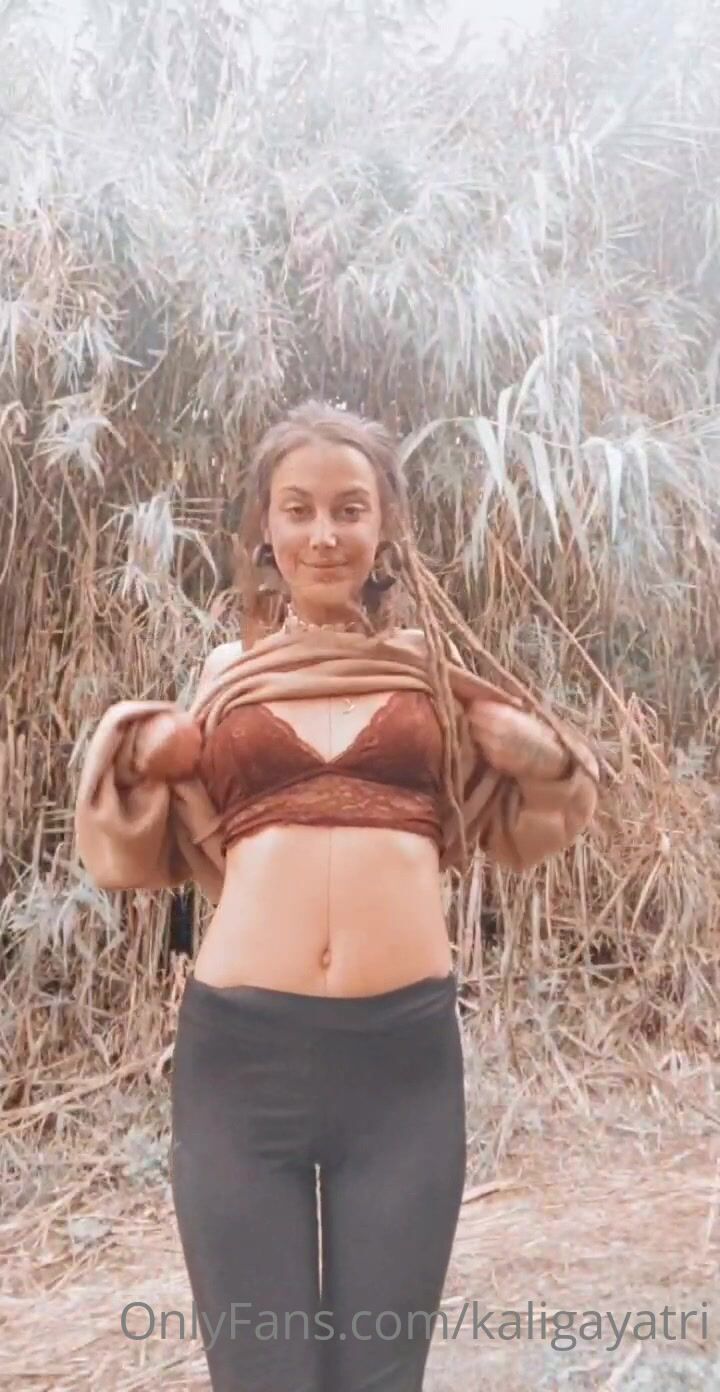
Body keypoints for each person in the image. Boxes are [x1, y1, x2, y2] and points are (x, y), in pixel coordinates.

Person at [74, 400, 599, 1392]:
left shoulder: (433, 677)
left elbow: (532, 809)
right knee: (262, 1372)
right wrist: (141, 750)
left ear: (383, 523)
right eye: (299, 508)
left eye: (349, 509)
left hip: (402, 1068)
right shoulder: (226, 676)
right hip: (242, 1063)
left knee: (380, 1377)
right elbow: (143, 837)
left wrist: (544, 755)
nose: (324, 534)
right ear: (264, 527)